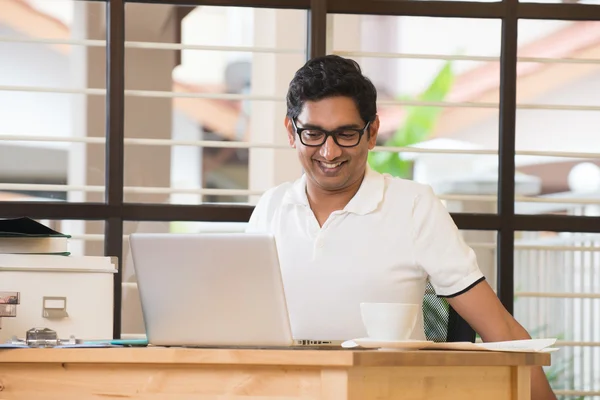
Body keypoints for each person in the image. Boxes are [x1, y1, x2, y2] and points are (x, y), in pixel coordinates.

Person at [246, 54, 556, 400]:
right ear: (292, 131)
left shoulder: (413, 206)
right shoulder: (271, 209)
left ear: (372, 132)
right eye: (313, 134)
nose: (329, 151)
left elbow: (500, 328)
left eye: (346, 134)